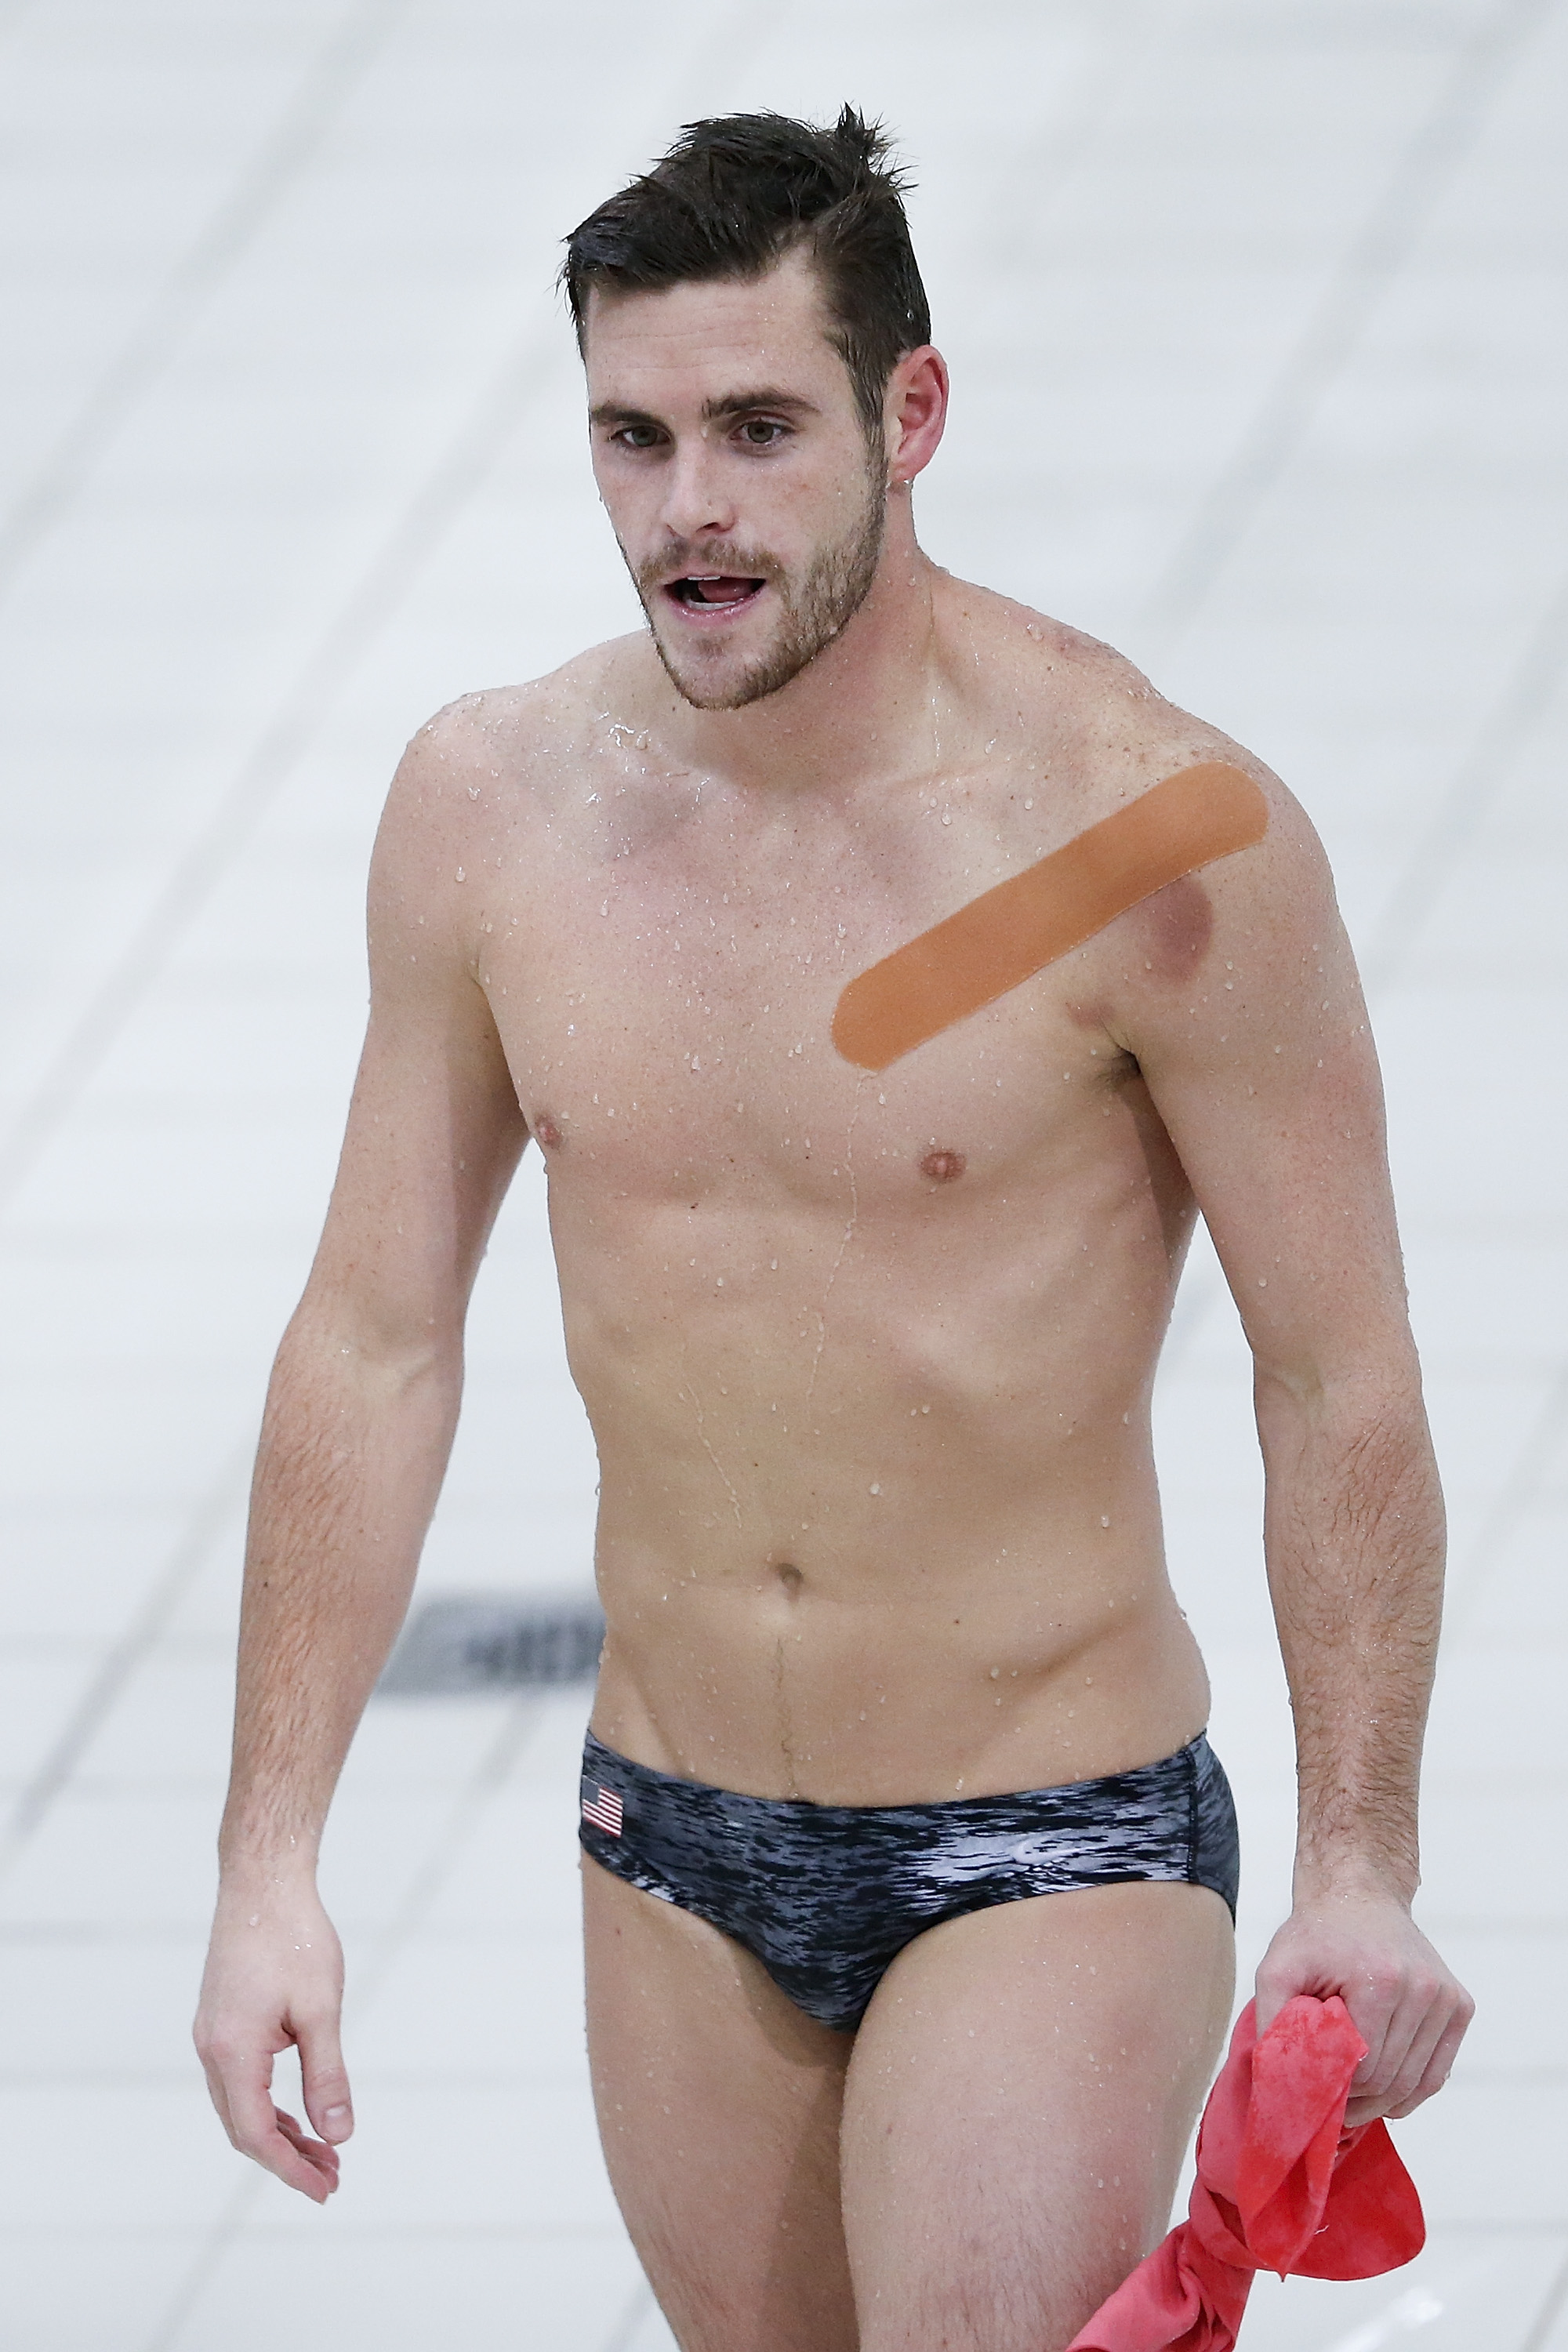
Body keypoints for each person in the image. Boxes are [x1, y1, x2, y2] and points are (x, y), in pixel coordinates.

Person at [195, 108, 1472, 2352]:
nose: (689, 507)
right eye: (634, 435)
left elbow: (1337, 1372)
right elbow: (377, 1338)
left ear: (915, 415)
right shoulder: (493, 816)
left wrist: (1363, 1862)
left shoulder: (1150, 833)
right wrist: (265, 1865)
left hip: (1045, 1835)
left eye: (761, 430)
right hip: (668, 1842)